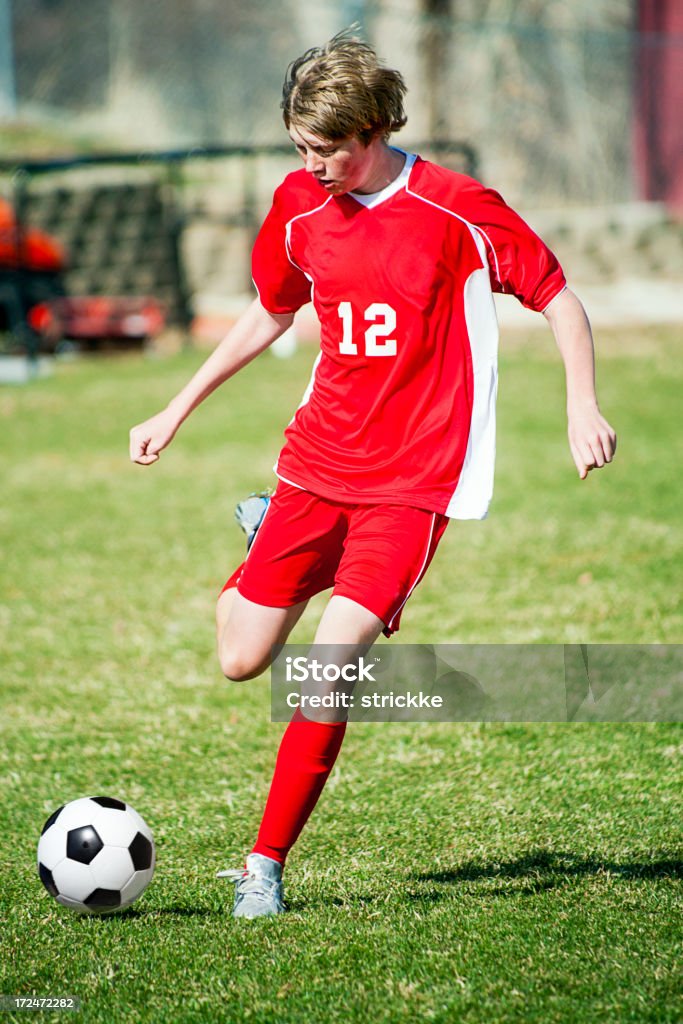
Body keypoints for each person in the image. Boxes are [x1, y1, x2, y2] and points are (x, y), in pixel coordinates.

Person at [129, 32, 616, 918]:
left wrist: (581, 407)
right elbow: (270, 315)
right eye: (299, 149)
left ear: (376, 128)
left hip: (413, 481)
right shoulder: (296, 206)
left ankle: (263, 866)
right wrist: (175, 407)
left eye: (328, 150)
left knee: (328, 667)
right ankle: (262, 529)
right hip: (314, 466)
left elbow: (558, 298)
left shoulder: (458, 208)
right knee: (241, 658)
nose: (312, 166)